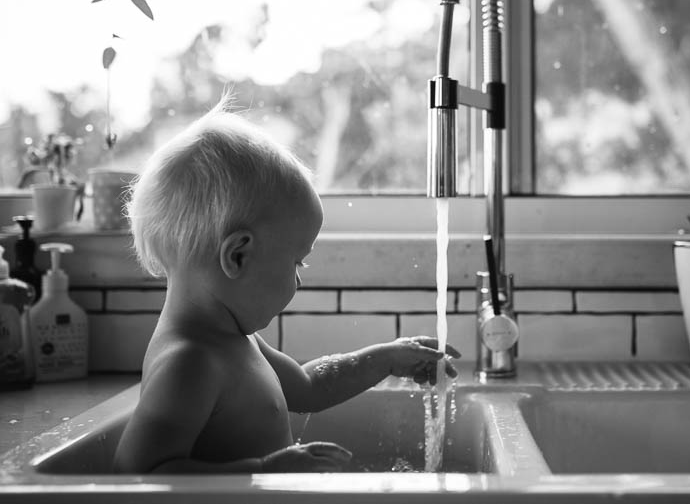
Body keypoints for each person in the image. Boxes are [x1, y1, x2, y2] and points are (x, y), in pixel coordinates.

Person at [113, 96, 459, 473]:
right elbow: (138, 474)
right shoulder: (189, 363)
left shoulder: (232, 339)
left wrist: (387, 357)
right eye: (296, 260)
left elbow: (309, 387)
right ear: (238, 256)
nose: (298, 278)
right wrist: (262, 471)